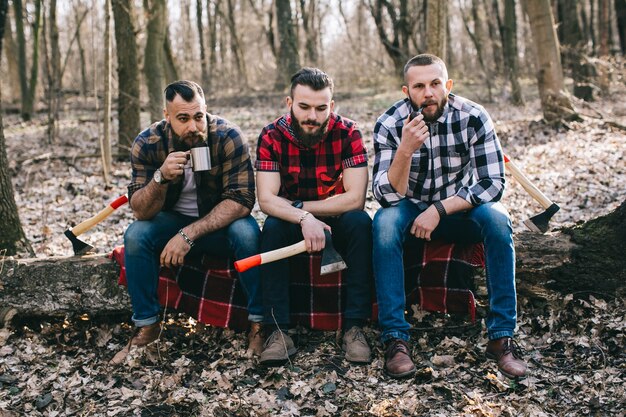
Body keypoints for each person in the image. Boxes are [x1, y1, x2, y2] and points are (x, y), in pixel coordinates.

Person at [371, 54, 527, 379]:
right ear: (406, 91)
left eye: (435, 84)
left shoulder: (473, 117)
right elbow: (386, 195)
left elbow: (493, 183)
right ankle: (395, 339)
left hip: (458, 206)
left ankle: (502, 337)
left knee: (498, 220)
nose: (428, 92)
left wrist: (439, 210)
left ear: (448, 85)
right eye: (419, 86)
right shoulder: (389, 123)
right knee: (383, 225)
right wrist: (405, 151)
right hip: (409, 206)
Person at [111, 80, 263, 364]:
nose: (193, 126)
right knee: (135, 236)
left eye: (198, 116)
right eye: (183, 118)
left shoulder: (227, 136)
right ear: (167, 116)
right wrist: (161, 177)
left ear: (206, 111)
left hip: (219, 222)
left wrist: (188, 235)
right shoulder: (148, 143)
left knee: (248, 235)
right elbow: (141, 212)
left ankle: (259, 323)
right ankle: (147, 326)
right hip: (170, 221)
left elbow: (242, 200)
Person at [255, 68, 373, 365]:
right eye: (304, 107)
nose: (312, 116)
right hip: (292, 220)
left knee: (361, 223)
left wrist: (303, 208)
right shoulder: (271, 136)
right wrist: (304, 218)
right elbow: (267, 199)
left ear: (331, 106)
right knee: (272, 227)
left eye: (321, 108)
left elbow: (355, 199)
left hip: (337, 217)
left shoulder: (348, 132)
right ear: (289, 103)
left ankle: (354, 326)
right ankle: (278, 330)